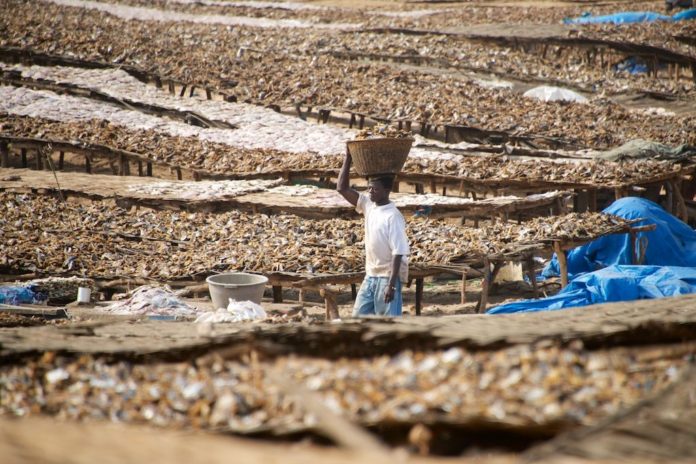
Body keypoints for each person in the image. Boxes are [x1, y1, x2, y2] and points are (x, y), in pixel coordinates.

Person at [336, 149, 409, 317]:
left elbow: (398, 253)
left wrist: (391, 285)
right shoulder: (369, 205)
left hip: (387, 277)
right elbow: (342, 188)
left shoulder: (393, 216)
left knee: (388, 325)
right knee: (357, 320)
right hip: (371, 275)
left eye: (374, 189)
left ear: (386, 190)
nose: (370, 192)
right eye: (369, 189)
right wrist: (348, 158)